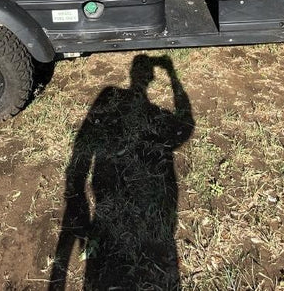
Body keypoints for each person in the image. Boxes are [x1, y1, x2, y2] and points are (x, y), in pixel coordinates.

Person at [49, 54, 194, 290]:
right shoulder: (114, 97)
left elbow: (83, 146)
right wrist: (173, 78)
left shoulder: (110, 96)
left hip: (113, 192)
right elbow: (184, 128)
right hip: (130, 197)